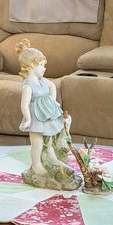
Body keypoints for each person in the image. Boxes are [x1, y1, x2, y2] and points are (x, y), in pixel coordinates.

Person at [14, 41, 76, 188]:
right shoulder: (28, 85)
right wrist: (28, 119)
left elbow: (52, 86)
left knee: (48, 141)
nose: (44, 68)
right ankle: (36, 165)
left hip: (46, 116)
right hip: (36, 119)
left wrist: (52, 103)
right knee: (37, 144)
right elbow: (24, 104)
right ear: (32, 66)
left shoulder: (42, 80)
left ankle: (52, 159)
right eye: (41, 65)